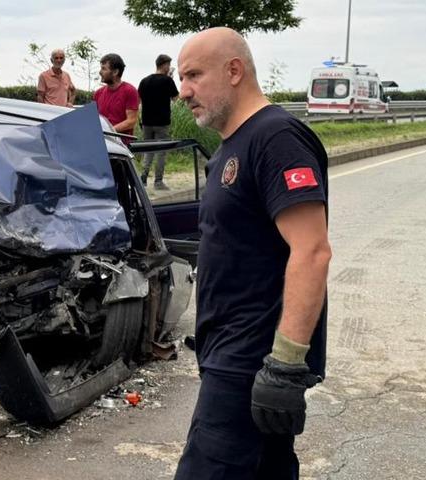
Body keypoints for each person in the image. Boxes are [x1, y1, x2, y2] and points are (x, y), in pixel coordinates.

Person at [173, 27, 331, 479]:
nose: (184, 92)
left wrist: (285, 364)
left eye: (194, 76)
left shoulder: (275, 137)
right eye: (182, 78)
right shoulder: (231, 145)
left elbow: (312, 251)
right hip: (230, 355)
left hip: (249, 362)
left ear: (234, 71)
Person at [138, 54, 179, 189]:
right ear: (165, 65)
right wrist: (170, 78)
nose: (169, 67)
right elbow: (176, 99)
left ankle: (143, 177)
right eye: (169, 65)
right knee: (161, 151)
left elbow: (139, 101)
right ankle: (158, 182)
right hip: (162, 122)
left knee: (148, 150)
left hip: (146, 122)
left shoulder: (144, 81)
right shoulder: (167, 81)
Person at [94, 53, 139, 143]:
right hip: (101, 142)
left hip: (121, 145)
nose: (100, 72)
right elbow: (94, 118)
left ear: (115, 72)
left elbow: (131, 121)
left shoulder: (130, 91)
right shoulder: (98, 93)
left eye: (104, 69)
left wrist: (108, 132)